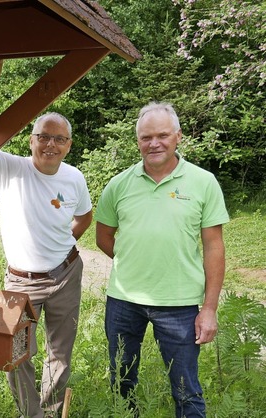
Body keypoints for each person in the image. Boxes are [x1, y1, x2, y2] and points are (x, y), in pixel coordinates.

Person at [94, 102, 229, 417]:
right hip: (123, 301)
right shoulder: (118, 185)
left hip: (180, 304)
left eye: (162, 135)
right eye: (146, 137)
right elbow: (103, 237)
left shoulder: (203, 182)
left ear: (178, 136)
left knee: (186, 391)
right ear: (138, 141)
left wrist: (208, 309)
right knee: (121, 381)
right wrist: (134, 260)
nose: (154, 143)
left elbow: (214, 247)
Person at [0, 56, 93, 418]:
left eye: (59, 139)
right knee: (16, 353)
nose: (50, 145)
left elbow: (85, 217)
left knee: (60, 353)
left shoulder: (74, 177)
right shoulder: (9, 168)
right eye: (43, 137)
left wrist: (60, 251)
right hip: (22, 283)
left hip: (66, 275)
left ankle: (52, 409)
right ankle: (33, 414)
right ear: (31, 141)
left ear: (69, 145)